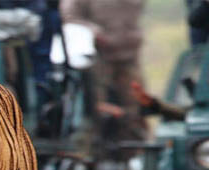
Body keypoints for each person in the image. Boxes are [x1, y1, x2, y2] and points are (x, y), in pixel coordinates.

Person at [61, 0, 147, 141]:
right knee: (96, 107)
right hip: (97, 57)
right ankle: (94, 150)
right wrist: (92, 31)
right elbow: (69, 16)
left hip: (128, 55)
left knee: (135, 106)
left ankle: (134, 151)